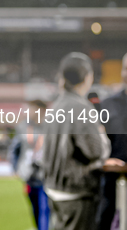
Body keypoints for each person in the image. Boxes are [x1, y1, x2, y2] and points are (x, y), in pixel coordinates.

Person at [42, 53, 114, 230]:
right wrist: (102, 135)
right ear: (87, 77)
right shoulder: (80, 107)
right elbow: (95, 151)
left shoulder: (55, 106)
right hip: (77, 193)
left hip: (54, 190)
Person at [97, 53, 127, 230]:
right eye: (125, 68)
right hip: (111, 183)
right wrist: (103, 160)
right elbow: (98, 143)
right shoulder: (108, 104)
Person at [10, 100, 49, 230]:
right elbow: (15, 149)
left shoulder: (51, 126)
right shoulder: (23, 127)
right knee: (35, 207)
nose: (30, 112)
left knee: (45, 208)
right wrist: (16, 168)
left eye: (33, 109)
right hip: (29, 175)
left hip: (46, 175)